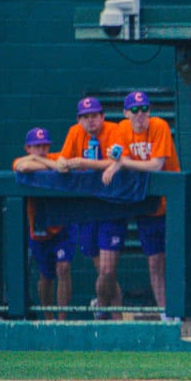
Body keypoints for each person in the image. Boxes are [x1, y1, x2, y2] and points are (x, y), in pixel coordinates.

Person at [102, 91, 181, 321]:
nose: (140, 114)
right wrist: (118, 163)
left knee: (175, 259)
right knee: (155, 262)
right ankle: (167, 315)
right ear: (126, 113)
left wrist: (120, 164)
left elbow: (156, 165)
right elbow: (118, 157)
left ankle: (179, 311)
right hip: (146, 207)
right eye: (134, 110)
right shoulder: (121, 130)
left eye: (144, 109)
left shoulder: (159, 126)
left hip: (171, 205)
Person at [57, 97, 127, 319]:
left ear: (102, 116)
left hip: (111, 206)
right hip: (86, 210)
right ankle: (115, 324)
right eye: (85, 117)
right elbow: (63, 159)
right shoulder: (74, 133)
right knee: (105, 273)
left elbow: (118, 160)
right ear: (79, 120)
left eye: (94, 116)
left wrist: (83, 163)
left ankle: (101, 307)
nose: (90, 121)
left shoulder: (114, 130)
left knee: (107, 270)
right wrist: (62, 163)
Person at [12, 127, 75, 319]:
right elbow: (22, 167)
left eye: (44, 146)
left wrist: (38, 160)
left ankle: (62, 321)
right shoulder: (22, 160)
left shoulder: (55, 157)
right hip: (39, 229)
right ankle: (48, 319)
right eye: (36, 147)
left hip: (62, 226)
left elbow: (60, 166)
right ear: (27, 147)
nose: (41, 150)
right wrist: (40, 161)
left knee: (63, 268)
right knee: (46, 276)